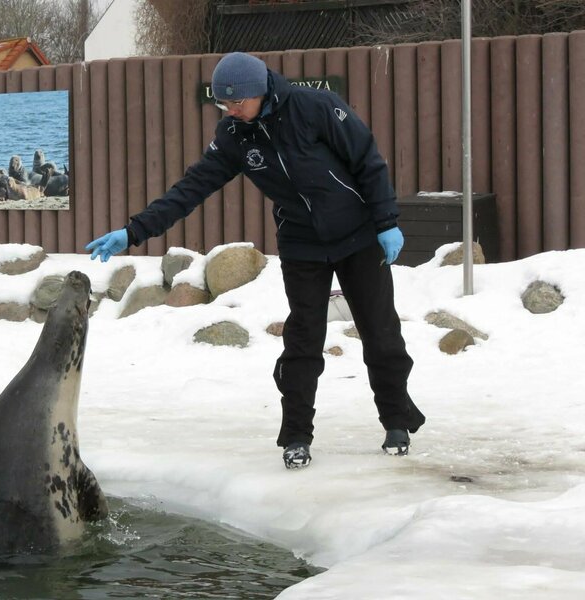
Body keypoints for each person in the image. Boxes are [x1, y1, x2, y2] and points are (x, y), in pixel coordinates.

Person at [85, 52, 425, 469]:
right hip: (302, 246)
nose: (230, 111)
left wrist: (386, 220)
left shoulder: (315, 107)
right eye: (223, 104)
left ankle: (396, 421)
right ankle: (296, 436)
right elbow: (191, 189)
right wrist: (133, 231)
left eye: (236, 103)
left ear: (259, 91)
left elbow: (368, 160)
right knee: (303, 342)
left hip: (359, 237)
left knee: (380, 333)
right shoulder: (235, 135)